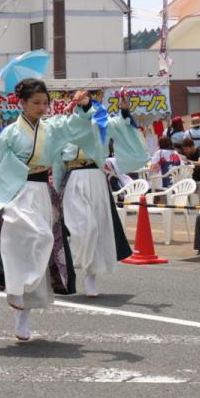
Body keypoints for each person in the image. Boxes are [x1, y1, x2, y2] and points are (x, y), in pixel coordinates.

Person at [0, 79, 97, 341]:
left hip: (42, 192)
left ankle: (23, 316)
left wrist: (85, 105)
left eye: (45, 103)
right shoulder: (9, 133)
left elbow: (76, 126)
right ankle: (14, 288)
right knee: (27, 240)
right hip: (15, 192)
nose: (42, 107)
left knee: (41, 246)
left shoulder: (52, 128)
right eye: (36, 103)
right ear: (22, 102)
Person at [59, 102, 148, 298]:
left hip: (97, 178)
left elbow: (123, 126)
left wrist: (125, 110)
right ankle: (74, 260)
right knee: (84, 226)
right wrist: (55, 187)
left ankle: (91, 274)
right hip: (74, 179)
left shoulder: (101, 123)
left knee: (97, 229)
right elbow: (57, 159)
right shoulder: (65, 126)